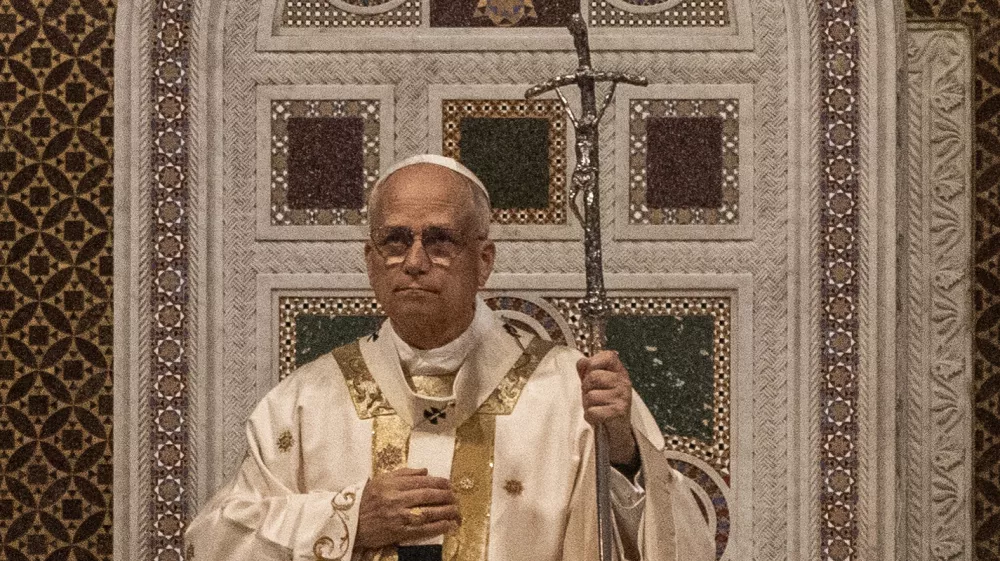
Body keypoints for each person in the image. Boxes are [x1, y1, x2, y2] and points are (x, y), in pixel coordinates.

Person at [185, 155, 715, 561]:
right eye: (395, 241)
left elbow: (683, 543)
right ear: (371, 263)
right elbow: (212, 542)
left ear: (483, 260)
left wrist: (622, 454)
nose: (415, 261)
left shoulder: (573, 392)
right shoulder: (302, 404)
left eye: (439, 240)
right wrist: (346, 520)